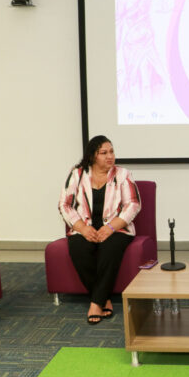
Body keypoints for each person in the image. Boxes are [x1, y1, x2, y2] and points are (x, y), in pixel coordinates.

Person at [59, 136, 141, 325]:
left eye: (111, 151)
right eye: (103, 153)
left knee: (109, 249)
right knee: (79, 248)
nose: (109, 156)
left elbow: (133, 205)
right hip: (84, 228)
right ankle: (104, 299)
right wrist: (82, 228)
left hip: (117, 229)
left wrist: (111, 227)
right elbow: (65, 205)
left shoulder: (123, 174)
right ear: (92, 156)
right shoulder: (77, 174)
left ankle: (96, 303)